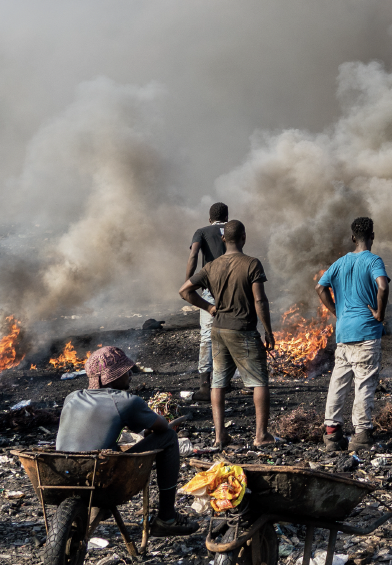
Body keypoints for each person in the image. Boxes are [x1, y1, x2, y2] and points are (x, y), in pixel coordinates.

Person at [56, 347, 195, 535]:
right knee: (169, 437)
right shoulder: (125, 401)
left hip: (63, 475)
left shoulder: (72, 397)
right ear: (111, 378)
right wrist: (149, 429)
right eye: (125, 371)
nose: (130, 374)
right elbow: (162, 427)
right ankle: (167, 518)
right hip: (103, 478)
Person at [179, 220, 278, 448]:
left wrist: (209, 308)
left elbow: (184, 291)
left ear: (224, 239)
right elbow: (260, 300)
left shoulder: (212, 266)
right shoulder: (252, 264)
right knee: (259, 381)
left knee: (218, 383)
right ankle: (261, 436)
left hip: (218, 330)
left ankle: (219, 436)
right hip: (242, 330)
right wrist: (268, 331)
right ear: (244, 237)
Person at [316, 217, 391, 452]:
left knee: (338, 383)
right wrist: (379, 313)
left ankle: (332, 435)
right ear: (373, 236)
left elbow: (320, 287)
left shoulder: (339, 263)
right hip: (367, 333)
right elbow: (383, 286)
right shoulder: (373, 260)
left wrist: (336, 311)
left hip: (344, 334)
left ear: (352, 238)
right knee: (364, 383)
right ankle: (361, 434)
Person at [185, 203, 230, 380]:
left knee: (207, 335)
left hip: (212, 287)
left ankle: (205, 383)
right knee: (235, 332)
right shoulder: (233, 228)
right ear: (226, 217)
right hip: (236, 286)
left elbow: (194, 255)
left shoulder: (201, 231)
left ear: (210, 219)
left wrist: (189, 281)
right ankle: (241, 381)